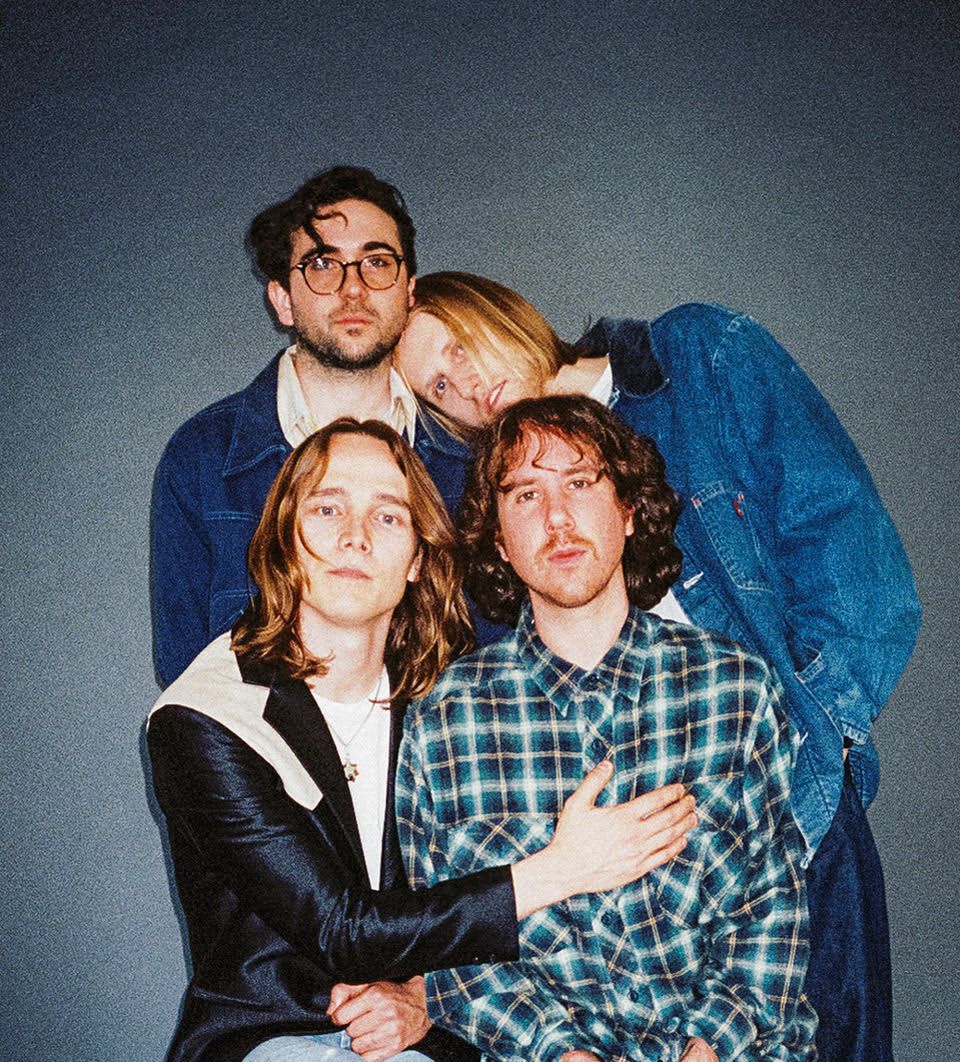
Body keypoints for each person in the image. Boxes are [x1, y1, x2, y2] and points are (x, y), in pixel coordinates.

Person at [394, 272, 921, 1061]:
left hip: (790, 816)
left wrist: (812, 754)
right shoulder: (497, 571)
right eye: (440, 386)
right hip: (615, 903)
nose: (467, 386)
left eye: (461, 347)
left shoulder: (695, 358)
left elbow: (859, 571)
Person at [147, 417, 696, 1062]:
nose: (354, 537)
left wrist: (424, 997)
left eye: (387, 517)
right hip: (273, 1036)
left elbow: (489, 919)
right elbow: (344, 929)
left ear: (416, 559)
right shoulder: (207, 715)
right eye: (327, 509)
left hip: (429, 1041)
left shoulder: (448, 704)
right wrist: (560, 868)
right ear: (283, 541)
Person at [397, 396, 818, 1061]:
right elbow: (454, 956)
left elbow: (771, 909)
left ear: (628, 510)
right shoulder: (444, 723)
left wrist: (707, 1048)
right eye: (526, 495)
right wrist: (564, 1054)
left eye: (580, 483)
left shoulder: (734, 688)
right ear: (498, 540)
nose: (557, 518)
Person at [151, 166, 466, 689]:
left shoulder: (467, 458)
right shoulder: (203, 457)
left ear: (409, 292)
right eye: (322, 265)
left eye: (377, 262)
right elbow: (189, 678)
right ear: (282, 299)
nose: (353, 288)